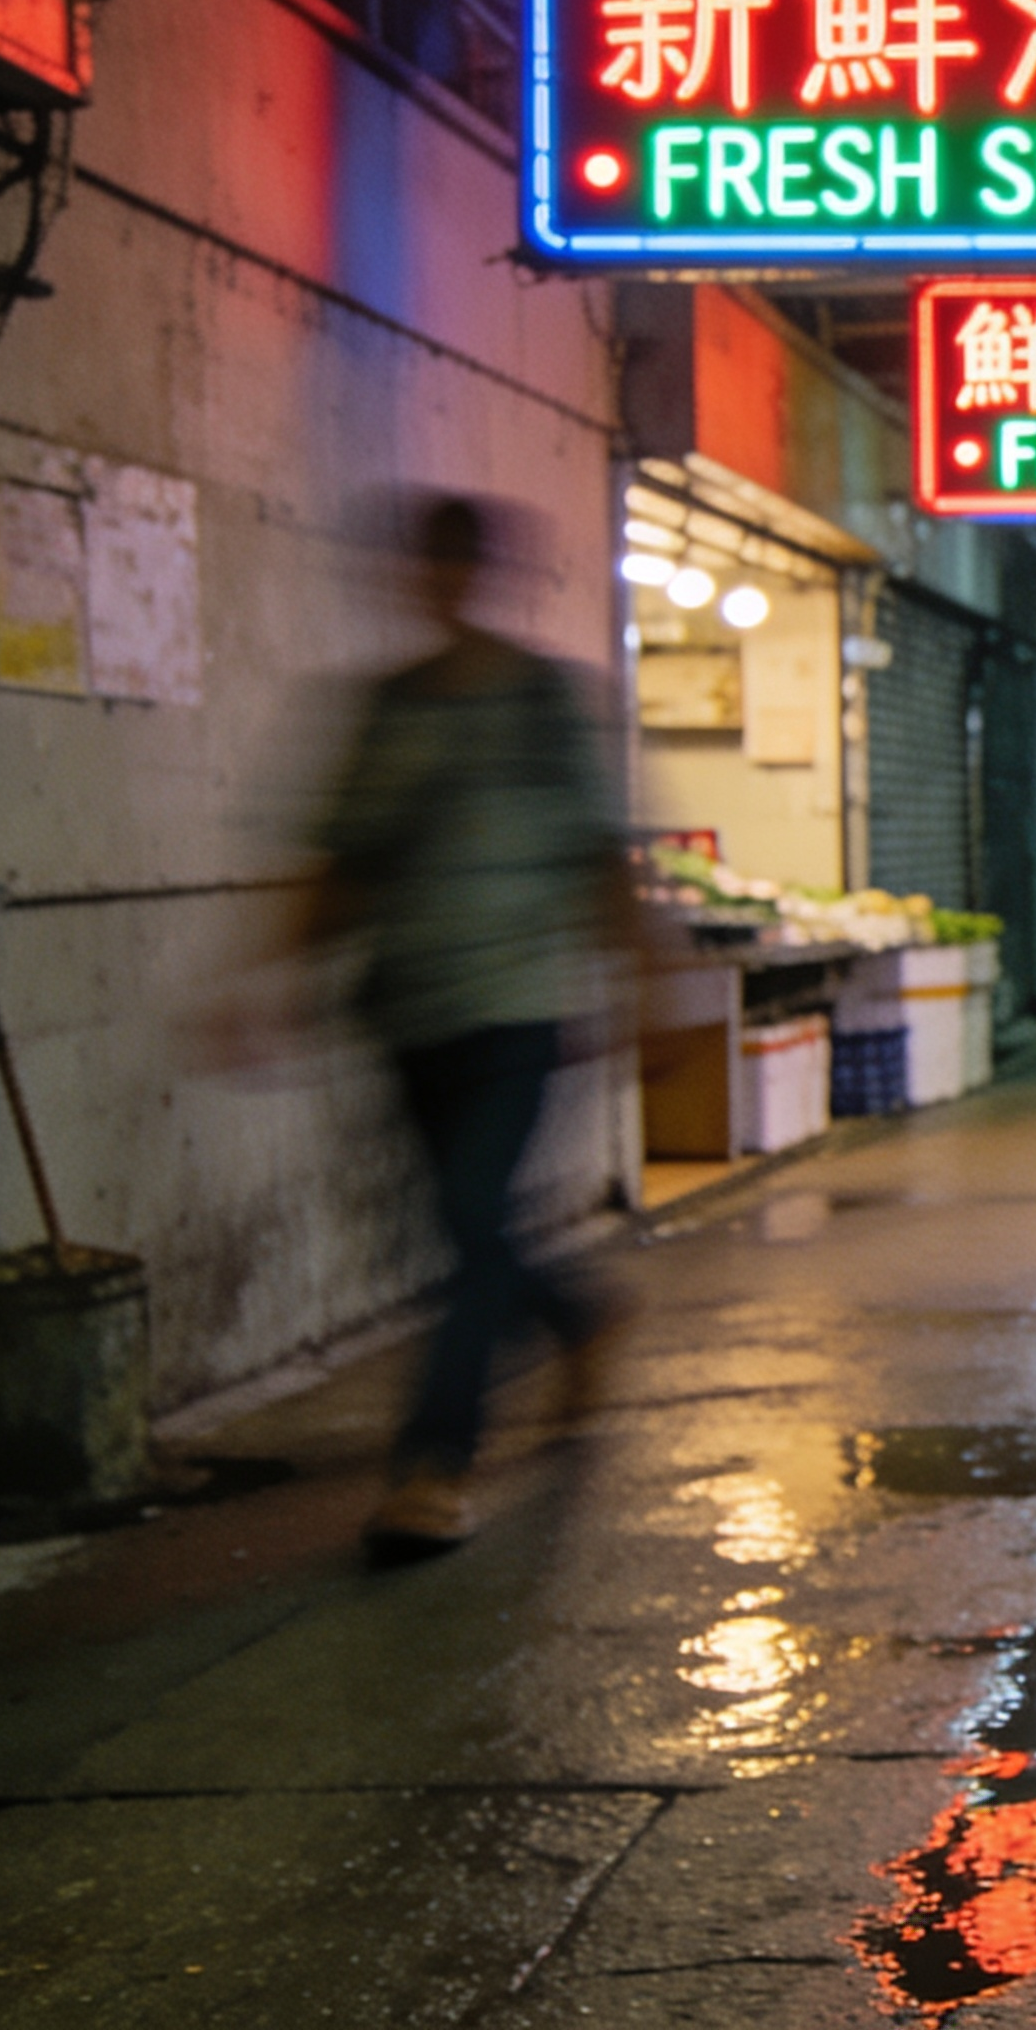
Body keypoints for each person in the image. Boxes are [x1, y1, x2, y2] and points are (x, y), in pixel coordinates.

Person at [274, 497, 632, 1550]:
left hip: (518, 1008)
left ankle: (434, 1462)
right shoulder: (387, 708)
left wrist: (638, 988)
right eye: (418, 565)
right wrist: (270, 980)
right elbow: (344, 861)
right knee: (470, 1230)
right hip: (405, 1010)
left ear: (479, 575)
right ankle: (576, 1315)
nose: (431, 583)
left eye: (448, 564)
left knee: (473, 1228)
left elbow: (599, 854)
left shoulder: (542, 703)